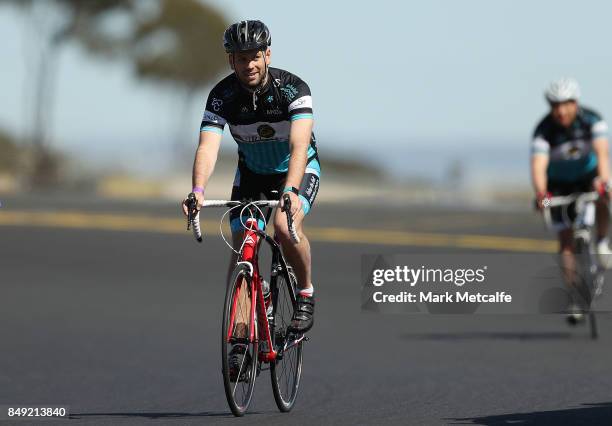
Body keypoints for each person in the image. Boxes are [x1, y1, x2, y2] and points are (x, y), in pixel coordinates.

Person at [181, 20, 320, 379]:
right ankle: (242, 341)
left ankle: (305, 293)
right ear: (231, 60)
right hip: (252, 177)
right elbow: (208, 148)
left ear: (267, 55)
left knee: (283, 228)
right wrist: (197, 191)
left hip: (297, 171)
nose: (249, 65)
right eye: (241, 58)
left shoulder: (293, 89)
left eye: (255, 57)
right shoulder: (221, 96)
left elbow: (300, 145)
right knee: (243, 245)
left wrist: (290, 190)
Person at [531, 77, 611, 321]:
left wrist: (603, 180)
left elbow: (602, 153)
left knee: (604, 194)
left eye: (566, 104)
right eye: (555, 105)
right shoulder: (544, 131)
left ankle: (601, 240)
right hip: (558, 185)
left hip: (588, 176)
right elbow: (538, 166)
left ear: (575, 103)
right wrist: (541, 194)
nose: (561, 111)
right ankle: (576, 298)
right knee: (565, 242)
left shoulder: (592, 120)